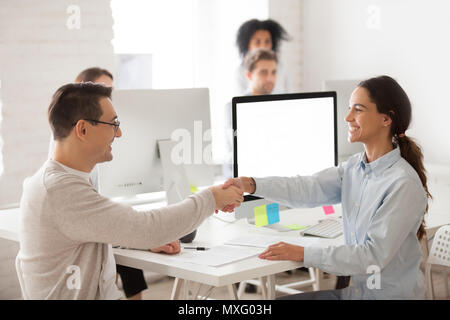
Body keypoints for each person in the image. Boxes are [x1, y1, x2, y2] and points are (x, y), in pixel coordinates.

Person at [17, 82, 243, 299]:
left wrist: (133, 238)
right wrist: (211, 198)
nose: (119, 134)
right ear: (83, 129)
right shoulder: (61, 191)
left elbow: (85, 230)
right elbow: (150, 227)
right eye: (113, 124)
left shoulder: (58, 180)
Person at [223, 75, 431, 299]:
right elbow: (307, 188)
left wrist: (303, 253)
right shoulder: (354, 168)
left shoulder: (403, 184)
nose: (348, 117)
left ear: (386, 119)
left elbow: (371, 256)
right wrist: (252, 184)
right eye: (350, 108)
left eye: (358, 110)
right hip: (356, 294)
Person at [48, 67, 153, 300]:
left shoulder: (103, 141)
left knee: (121, 253)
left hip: (105, 217)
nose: (119, 133)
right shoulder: (64, 168)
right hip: (97, 223)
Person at [223, 48, 278, 178]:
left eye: (274, 72)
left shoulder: (280, 106)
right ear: (249, 75)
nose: (270, 78)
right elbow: (242, 151)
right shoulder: (233, 107)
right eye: (263, 72)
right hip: (245, 178)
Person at [234, 19, 289, 95]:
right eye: (257, 42)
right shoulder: (240, 71)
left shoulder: (280, 66)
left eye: (267, 41)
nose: (263, 46)